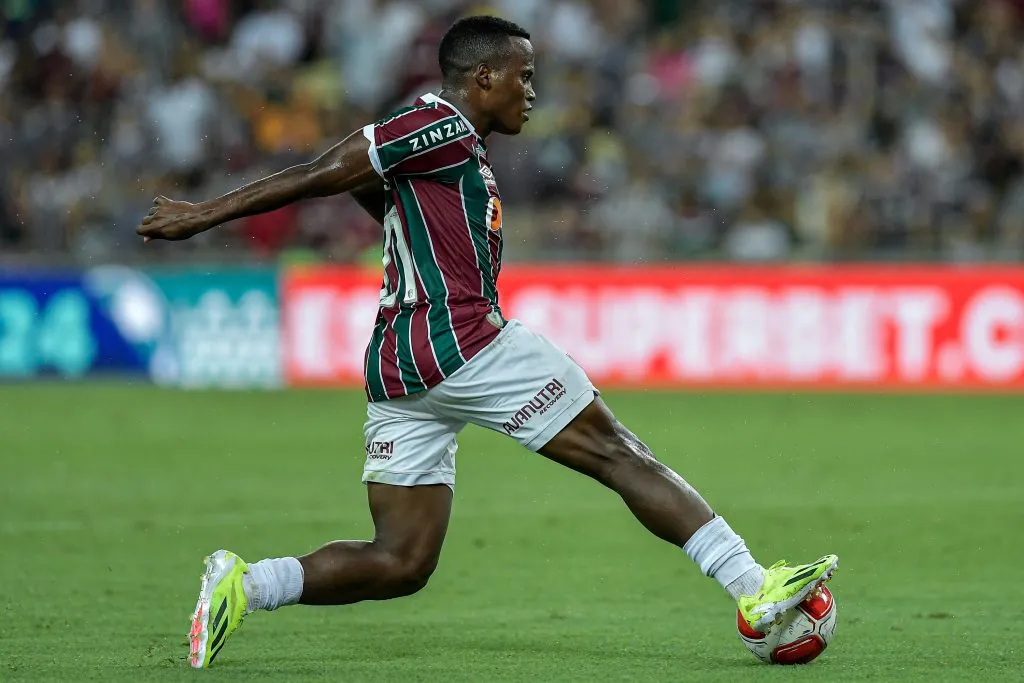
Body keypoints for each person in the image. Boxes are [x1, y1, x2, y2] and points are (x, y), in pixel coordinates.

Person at [137, 16, 838, 670]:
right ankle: (753, 587)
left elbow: (367, 186)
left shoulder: (453, 149)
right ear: (482, 80)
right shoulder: (436, 123)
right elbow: (329, 167)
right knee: (616, 451)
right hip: (464, 336)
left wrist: (373, 197)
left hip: (400, 363)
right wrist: (206, 215)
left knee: (402, 559)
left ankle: (246, 584)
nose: (532, 92)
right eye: (522, 76)